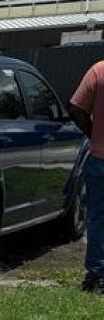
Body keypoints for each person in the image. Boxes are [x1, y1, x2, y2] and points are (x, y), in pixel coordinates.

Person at [68, 58, 104, 293]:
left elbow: (76, 108)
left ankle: (97, 275)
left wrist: (92, 132)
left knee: (98, 218)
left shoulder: (98, 71)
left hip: (100, 158)